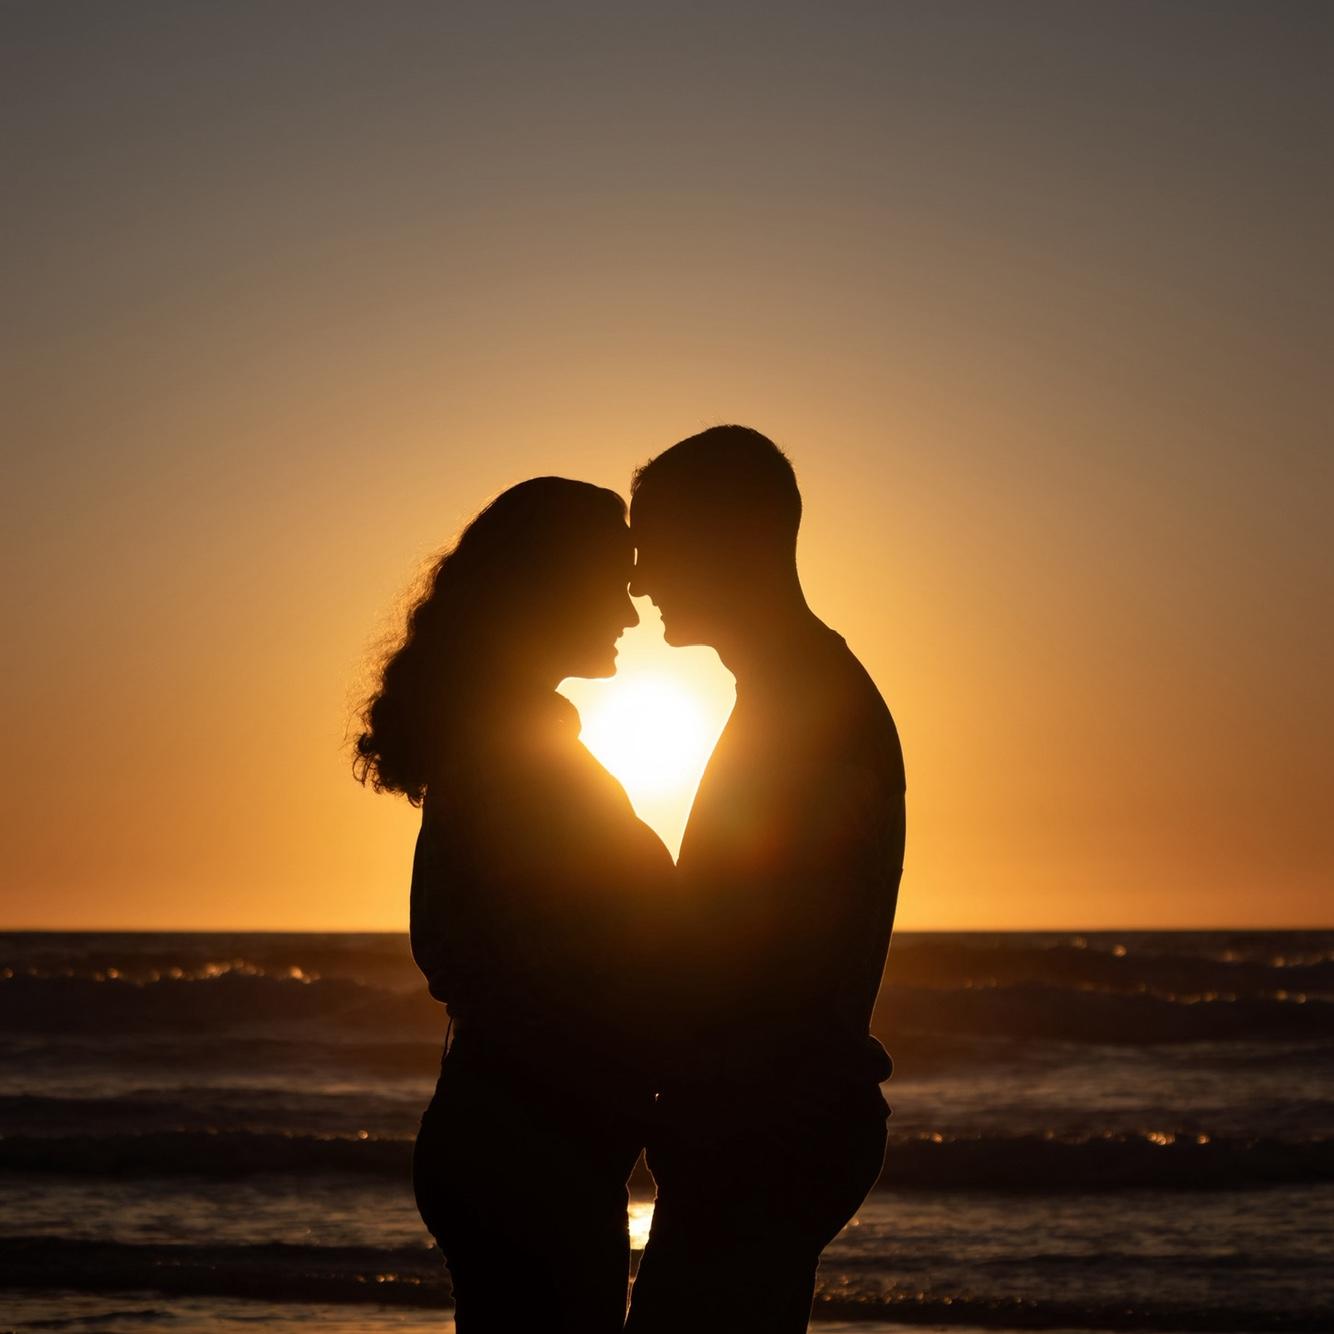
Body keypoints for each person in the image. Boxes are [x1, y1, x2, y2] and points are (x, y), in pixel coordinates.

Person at [352, 477, 674, 1334]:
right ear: (552, 585)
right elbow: (550, 956)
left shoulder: (502, 740)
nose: (633, 616)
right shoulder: (514, 755)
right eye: (615, 584)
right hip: (532, 1158)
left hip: (512, 1140)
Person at [624, 426, 906, 1333]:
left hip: (766, 1129)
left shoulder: (810, 707)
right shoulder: (787, 695)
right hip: (765, 1123)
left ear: (731, 537)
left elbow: (776, 946)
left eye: (654, 543)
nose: (638, 578)